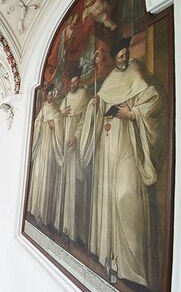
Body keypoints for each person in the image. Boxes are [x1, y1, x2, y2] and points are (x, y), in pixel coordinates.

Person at [79, 36, 166, 289]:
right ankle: (110, 257)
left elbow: (155, 98)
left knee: (126, 195)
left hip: (128, 142)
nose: (124, 58)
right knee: (107, 196)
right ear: (113, 57)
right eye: (120, 56)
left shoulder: (137, 72)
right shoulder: (107, 82)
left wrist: (134, 113)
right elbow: (102, 107)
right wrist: (95, 106)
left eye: (126, 54)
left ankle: (134, 269)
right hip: (108, 145)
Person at [52, 68, 90, 244]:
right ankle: (61, 226)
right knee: (63, 184)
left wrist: (76, 135)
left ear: (79, 81)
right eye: (72, 82)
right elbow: (56, 119)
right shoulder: (66, 97)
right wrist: (62, 114)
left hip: (74, 145)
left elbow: (85, 120)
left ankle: (72, 230)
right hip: (63, 146)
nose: (74, 84)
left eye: (76, 81)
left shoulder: (84, 95)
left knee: (74, 185)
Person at [27, 85, 63, 227]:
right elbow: (37, 122)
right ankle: (35, 208)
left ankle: (43, 213)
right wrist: (43, 123)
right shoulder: (44, 107)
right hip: (41, 146)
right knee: (37, 176)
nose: (50, 97)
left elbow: (59, 126)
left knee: (47, 177)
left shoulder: (56, 109)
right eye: (49, 95)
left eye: (52, 95)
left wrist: (55, 124)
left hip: (50, 148)